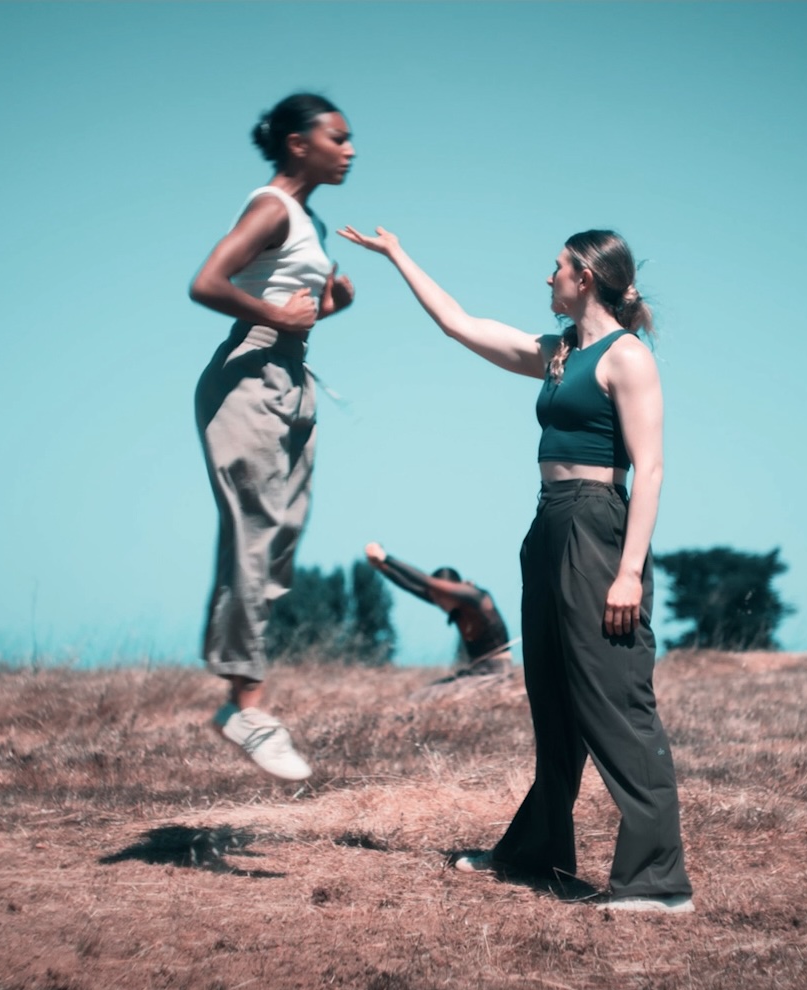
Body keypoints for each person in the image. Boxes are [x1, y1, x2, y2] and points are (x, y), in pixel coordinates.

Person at [339, 224, 693, 913]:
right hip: (549, 523)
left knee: (617, 702)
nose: (548, 278)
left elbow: (648, 470)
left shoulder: (628, 359)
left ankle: (658, 882)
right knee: (554, 701)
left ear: (584, 277)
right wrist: (398, 254)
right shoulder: (559, 353)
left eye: (556, 268)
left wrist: (627, 573)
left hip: (598, 526)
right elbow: (459, 325)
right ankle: (537, 853)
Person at [190, 94, 356, 781]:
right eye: (338, 138)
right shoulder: (273, 207)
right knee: (254, 534)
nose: (349, 150)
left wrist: (326, 306)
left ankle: (238, 679)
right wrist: (280, 317)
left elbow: (297, 306)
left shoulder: (308, 219)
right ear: (297, 143)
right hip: (249, 375)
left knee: (282, 531)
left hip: (290, 379)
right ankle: (247, 704)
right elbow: (207, 282)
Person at [364, 543, 513, 674]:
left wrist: (386, 558)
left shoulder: (476, 598)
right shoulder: (452, 603)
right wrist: (381, 567)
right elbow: (410, 586)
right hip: (476, 671)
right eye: (435, 598)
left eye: (440, 596)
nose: (437, 602)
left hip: (497, 671)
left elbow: (426, 581)